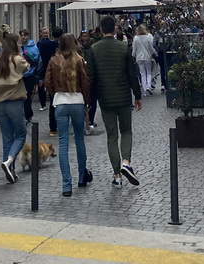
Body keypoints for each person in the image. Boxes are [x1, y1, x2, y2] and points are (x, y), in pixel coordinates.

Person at [87, 15, 142, 187]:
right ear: (115, 29)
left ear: (102, 29)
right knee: (126, 131)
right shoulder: (123, 48)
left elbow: (91, 77)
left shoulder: (94, 49)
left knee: (111, 137)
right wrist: (137, 95)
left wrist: (90, 100)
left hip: (105, 99)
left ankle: (117, 175)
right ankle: (126, 162)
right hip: (124, 97)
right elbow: (132, 74)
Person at [45, 33, 92, 196]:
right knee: (79, 140)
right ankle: (81, 177)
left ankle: (66, 185)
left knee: (63, 143)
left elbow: (47, 81)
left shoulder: (53, 60)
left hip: (61, 102)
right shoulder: (79, 59)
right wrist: (87, 102)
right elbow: (85, 82)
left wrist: (55, 95)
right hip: (77, 101)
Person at [0, 34, 28, 183]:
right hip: (15, 101)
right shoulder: (17, 59)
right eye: (19, 43)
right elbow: (27, 67)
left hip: (0, 103)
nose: (20, 45)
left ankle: (10, 171)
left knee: (7, 138)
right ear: (14, 44)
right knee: (20, 134)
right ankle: (9, 161)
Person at [18, 29, 40, 122]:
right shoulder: (18, 47)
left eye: (25, 35)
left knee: (27, 95)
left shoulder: (34, 47)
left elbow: (38, 61)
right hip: (19, 75)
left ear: (28, 36)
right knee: (20, 96)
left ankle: (27, 115)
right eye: (22, 35)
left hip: (30, 75)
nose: (23, 37)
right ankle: (25, 113)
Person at [36, 27, 58, 113]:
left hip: (49, 65)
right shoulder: (39, 43)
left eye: (46, 33)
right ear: (41, 33)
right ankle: (43, 104)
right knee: (41, 86)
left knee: (50, 83)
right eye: (44, 33)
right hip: (42, 66)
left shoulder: (51, 43)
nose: (45, 35)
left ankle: (52, 99)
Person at [132, 24, 155, 96]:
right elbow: (151, 48)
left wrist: (133, 55)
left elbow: (134, 49)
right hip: (147, 57)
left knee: (142, 74)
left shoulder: (136, 38)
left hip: (139, 58)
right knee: (148, 72)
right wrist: (154, 53)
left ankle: (144, 89)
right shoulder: (148, 37)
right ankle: (149, 86)